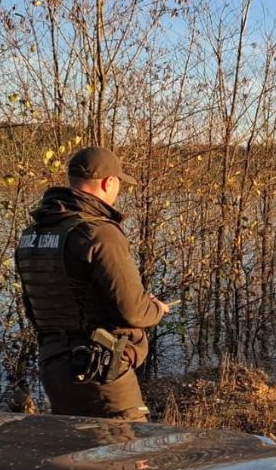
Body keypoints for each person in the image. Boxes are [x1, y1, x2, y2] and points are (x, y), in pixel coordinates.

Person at [15, 147, 170, 421]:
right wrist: (155, 309)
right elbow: (133, 310)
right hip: (100, 369)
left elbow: (36, 305)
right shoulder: (99, 233)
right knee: (128, 454)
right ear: (109, 182)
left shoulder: (34, 233)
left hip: (54, 367)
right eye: (119, 183)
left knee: (76, 456)